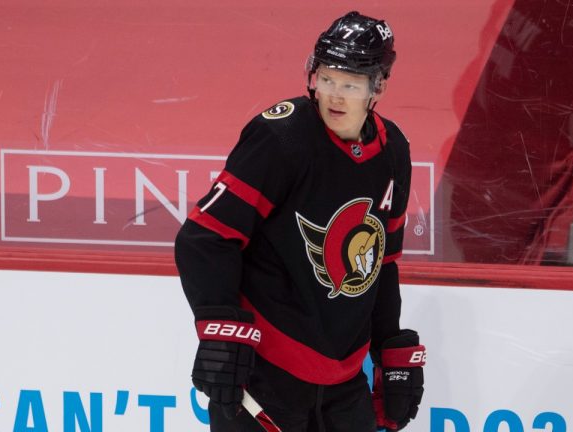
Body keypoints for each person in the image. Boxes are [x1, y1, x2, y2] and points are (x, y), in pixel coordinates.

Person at [175, 11, 425, 432]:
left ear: (376, 87)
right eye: (326, 79)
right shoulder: (283, 137)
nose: (334, 96)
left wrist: (388, 354)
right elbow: (204, 238)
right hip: (266, 375)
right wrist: (221, 328)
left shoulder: (394, 152)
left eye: (349, 85)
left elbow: (382, 265)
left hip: (345, 384)